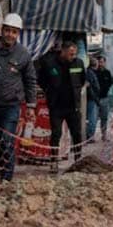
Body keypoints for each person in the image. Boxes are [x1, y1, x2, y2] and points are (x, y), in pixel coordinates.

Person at [0, 13, 36, 182]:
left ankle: (7, 178)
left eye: (14, 32)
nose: (10, 35)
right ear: (2, 30)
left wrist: (31, 106)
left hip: (10, 105)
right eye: (7, 31)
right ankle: (2, 171)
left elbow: (30, 80)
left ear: (18, 33)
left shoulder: (23, 54)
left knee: (7, 140)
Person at [38, 41, 85, 171]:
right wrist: (49, 90)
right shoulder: (50, 63)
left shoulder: (79, 63)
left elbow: (81, 80)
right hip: (56, 106)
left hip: (73, 106)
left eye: (74, 54)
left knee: (76, 134)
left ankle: (78, 161)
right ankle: (53, 162)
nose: (73, 56)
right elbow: (41, 80)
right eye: (70, 54)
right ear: (63, 52)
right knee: (56, 134)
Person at [96, 56, 113, 141]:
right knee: (93, 118)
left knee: (104, 117)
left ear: (104, 62)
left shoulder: (107, 72)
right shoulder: (94, 72)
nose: (101, 64)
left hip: (104, 98)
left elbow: (110, 83)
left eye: (102, 62)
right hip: (95, 99)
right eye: (99, 62)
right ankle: (90, 137)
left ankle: (104, 135)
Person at [85, 57, 101, 142]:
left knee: (91, 119)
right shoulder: (90, 73)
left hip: (93, 98)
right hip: (92, 99)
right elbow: (90, 87)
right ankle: (90, 136)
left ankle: (89, 136)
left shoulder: (91, 72)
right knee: (92, 119)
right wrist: (95, 99)